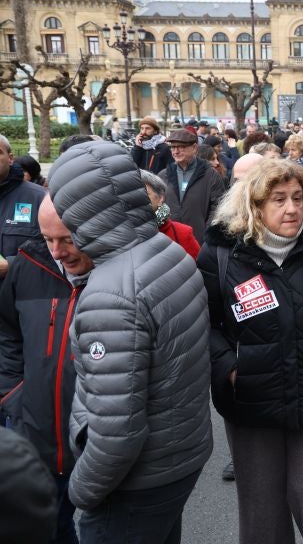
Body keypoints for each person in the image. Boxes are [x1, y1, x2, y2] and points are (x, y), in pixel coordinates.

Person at [47, 141, 212, 542]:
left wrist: (81, 492)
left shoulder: (110, 294)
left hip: (136, 482)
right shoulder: (166, 251)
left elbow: (116, 434)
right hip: (178, 457)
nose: (57, 248)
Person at [198, 159, 303, 544]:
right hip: (249, 403)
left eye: (296, 198)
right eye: (278, 199)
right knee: (262, 513)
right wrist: (230, 369)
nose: (291, 208)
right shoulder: (219, 254)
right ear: (254, 205)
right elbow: (203, 324)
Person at [0, 196, 93, 544]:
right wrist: (12, 394)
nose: (56, 251)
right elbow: (6, 330)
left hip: (100, 443)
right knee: (51, 529)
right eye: (47, 238)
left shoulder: (123, 271)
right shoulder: (28, 263)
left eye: (67, 239)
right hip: (36, 431)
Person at [159, 128, 227, 244]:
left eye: (181, 147)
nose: (176, 151)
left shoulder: (210, 175)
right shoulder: (163, 175)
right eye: (173, 147)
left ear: (195, 148)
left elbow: (218, 207)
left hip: (198, 241)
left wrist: (206, 234)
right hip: (170, 241)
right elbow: (157, 205)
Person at [0, 135, 46, 282]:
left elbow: (59, 250)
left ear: (10, 158)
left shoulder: (40, 198)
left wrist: (12, 265)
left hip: (21, 298)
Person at [141, 170, 201, 260]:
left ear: (161, 197)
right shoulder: (121, 234)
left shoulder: (183, 234)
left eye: (144, 193)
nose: (137, 199)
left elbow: (199, 270)